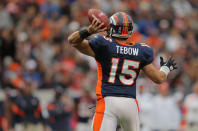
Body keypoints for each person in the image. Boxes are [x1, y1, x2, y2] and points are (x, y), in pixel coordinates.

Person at [68, 12, 177, 131]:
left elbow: (73, 40)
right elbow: (159, 78)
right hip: (130, 105)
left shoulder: (104, 45)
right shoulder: (140, 50)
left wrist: (89, 30)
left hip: (108, 101)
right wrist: (166, 68)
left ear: (112, 28)